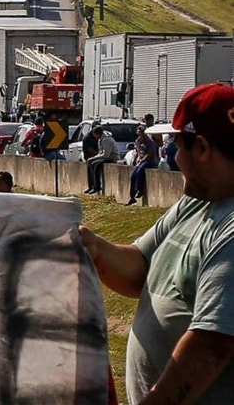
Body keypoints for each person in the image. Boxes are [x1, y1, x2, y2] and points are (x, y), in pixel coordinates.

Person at [80, 83, 234, 404]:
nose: (176, 156)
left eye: (178, 145)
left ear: (202, 148)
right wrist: (92, 246)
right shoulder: (199, 200)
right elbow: (140, 266)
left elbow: (211, 346)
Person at [127, 124, 159, 205]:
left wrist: (142, 160)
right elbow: (138, 152)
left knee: (141, 170)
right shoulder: (137, 141)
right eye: (139, 132)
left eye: (142, 132)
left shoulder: (150, 142)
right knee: (133, 175)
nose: (140, 134)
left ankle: (139, 190)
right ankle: (132, 197)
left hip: (150, 160)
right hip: (141, 160)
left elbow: (150, 154)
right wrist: (135, 160)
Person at [85, 126, 119, 194]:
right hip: (105, 157)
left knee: (96, 165)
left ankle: (97, 187)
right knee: (91, 164)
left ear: (97, 133)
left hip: (111, 158)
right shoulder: (100, 139)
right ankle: (91, 186)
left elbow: (106, 155)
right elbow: (100, 153)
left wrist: (93, 158)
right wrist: (92, 158)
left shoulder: (106, 140)